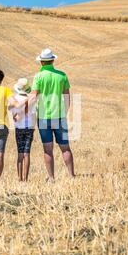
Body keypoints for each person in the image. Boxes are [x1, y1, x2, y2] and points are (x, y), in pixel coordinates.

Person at [29, 49, 76, 181]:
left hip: (44, 118)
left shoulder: (38, 77)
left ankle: (51, 178)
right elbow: (67, 97)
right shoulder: (62, 75)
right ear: (53, 60)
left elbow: (33, 97)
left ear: (41, 62)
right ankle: (71, 176)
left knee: (47, 149)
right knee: (65, 148)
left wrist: (24, 109)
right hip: (59, 116)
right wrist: (64, 112)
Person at [10, 78, 36, 182]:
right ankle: (26, 178)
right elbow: (34, 114)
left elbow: (13, 114)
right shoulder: (31, 100)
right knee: (27, 153)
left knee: (20, 153)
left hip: (19, 128)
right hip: (29, 127)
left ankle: (19, 178)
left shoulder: (15, 99)